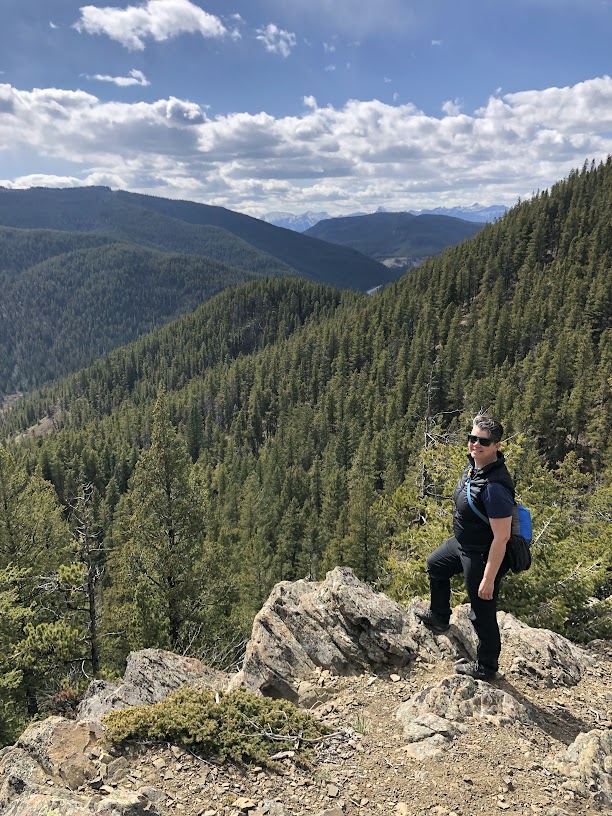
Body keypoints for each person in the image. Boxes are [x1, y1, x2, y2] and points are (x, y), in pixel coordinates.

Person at [416, 415, 514, 680]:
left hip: (481, 554)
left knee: (481, 609)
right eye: (472, 438)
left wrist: (489, 578)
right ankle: (439, 616)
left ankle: (486, 667)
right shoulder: (474, 467)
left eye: (483, 441)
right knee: (435, 565)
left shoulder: (495, 487)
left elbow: (502, 537)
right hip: (462, 544)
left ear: (497, 445)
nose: (475, 444)